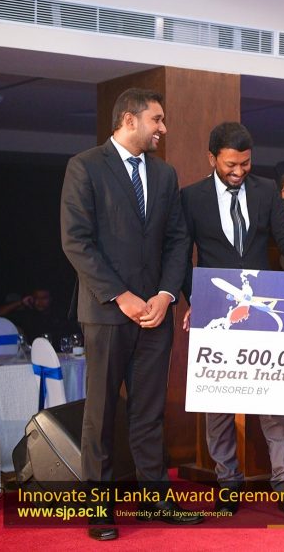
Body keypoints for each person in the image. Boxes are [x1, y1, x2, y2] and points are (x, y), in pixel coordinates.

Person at [59, 88, 199, 541]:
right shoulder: (85, 166)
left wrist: (165, 295)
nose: (163, 128)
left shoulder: (164, 174)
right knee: (100, 415)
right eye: (157, 119)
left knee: (149, 412)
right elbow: (76, 241)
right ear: (129, 119)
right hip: (106, 313)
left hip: (155, 315)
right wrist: (121, 296)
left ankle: (155, 498)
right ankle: (98, 508)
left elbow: (177, 241)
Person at [180, 122, 284, 520]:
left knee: (273, 406)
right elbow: (181, 254)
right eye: (230, 164)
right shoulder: (191, 197)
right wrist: (192, 299)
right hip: (214, 311)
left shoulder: (266, 191)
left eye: (245, 163)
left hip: (260, 310)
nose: (239, 171)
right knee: (218, 407)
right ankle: (228, 483)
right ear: (212, 158)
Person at [0, 288, 81, 348]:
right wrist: (21, 302)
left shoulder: (60, 315)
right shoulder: (27, 315)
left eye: (43, 298)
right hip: (33, 356)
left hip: (59, 356)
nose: (39, 301)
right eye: (36, 298)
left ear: (50, 299)